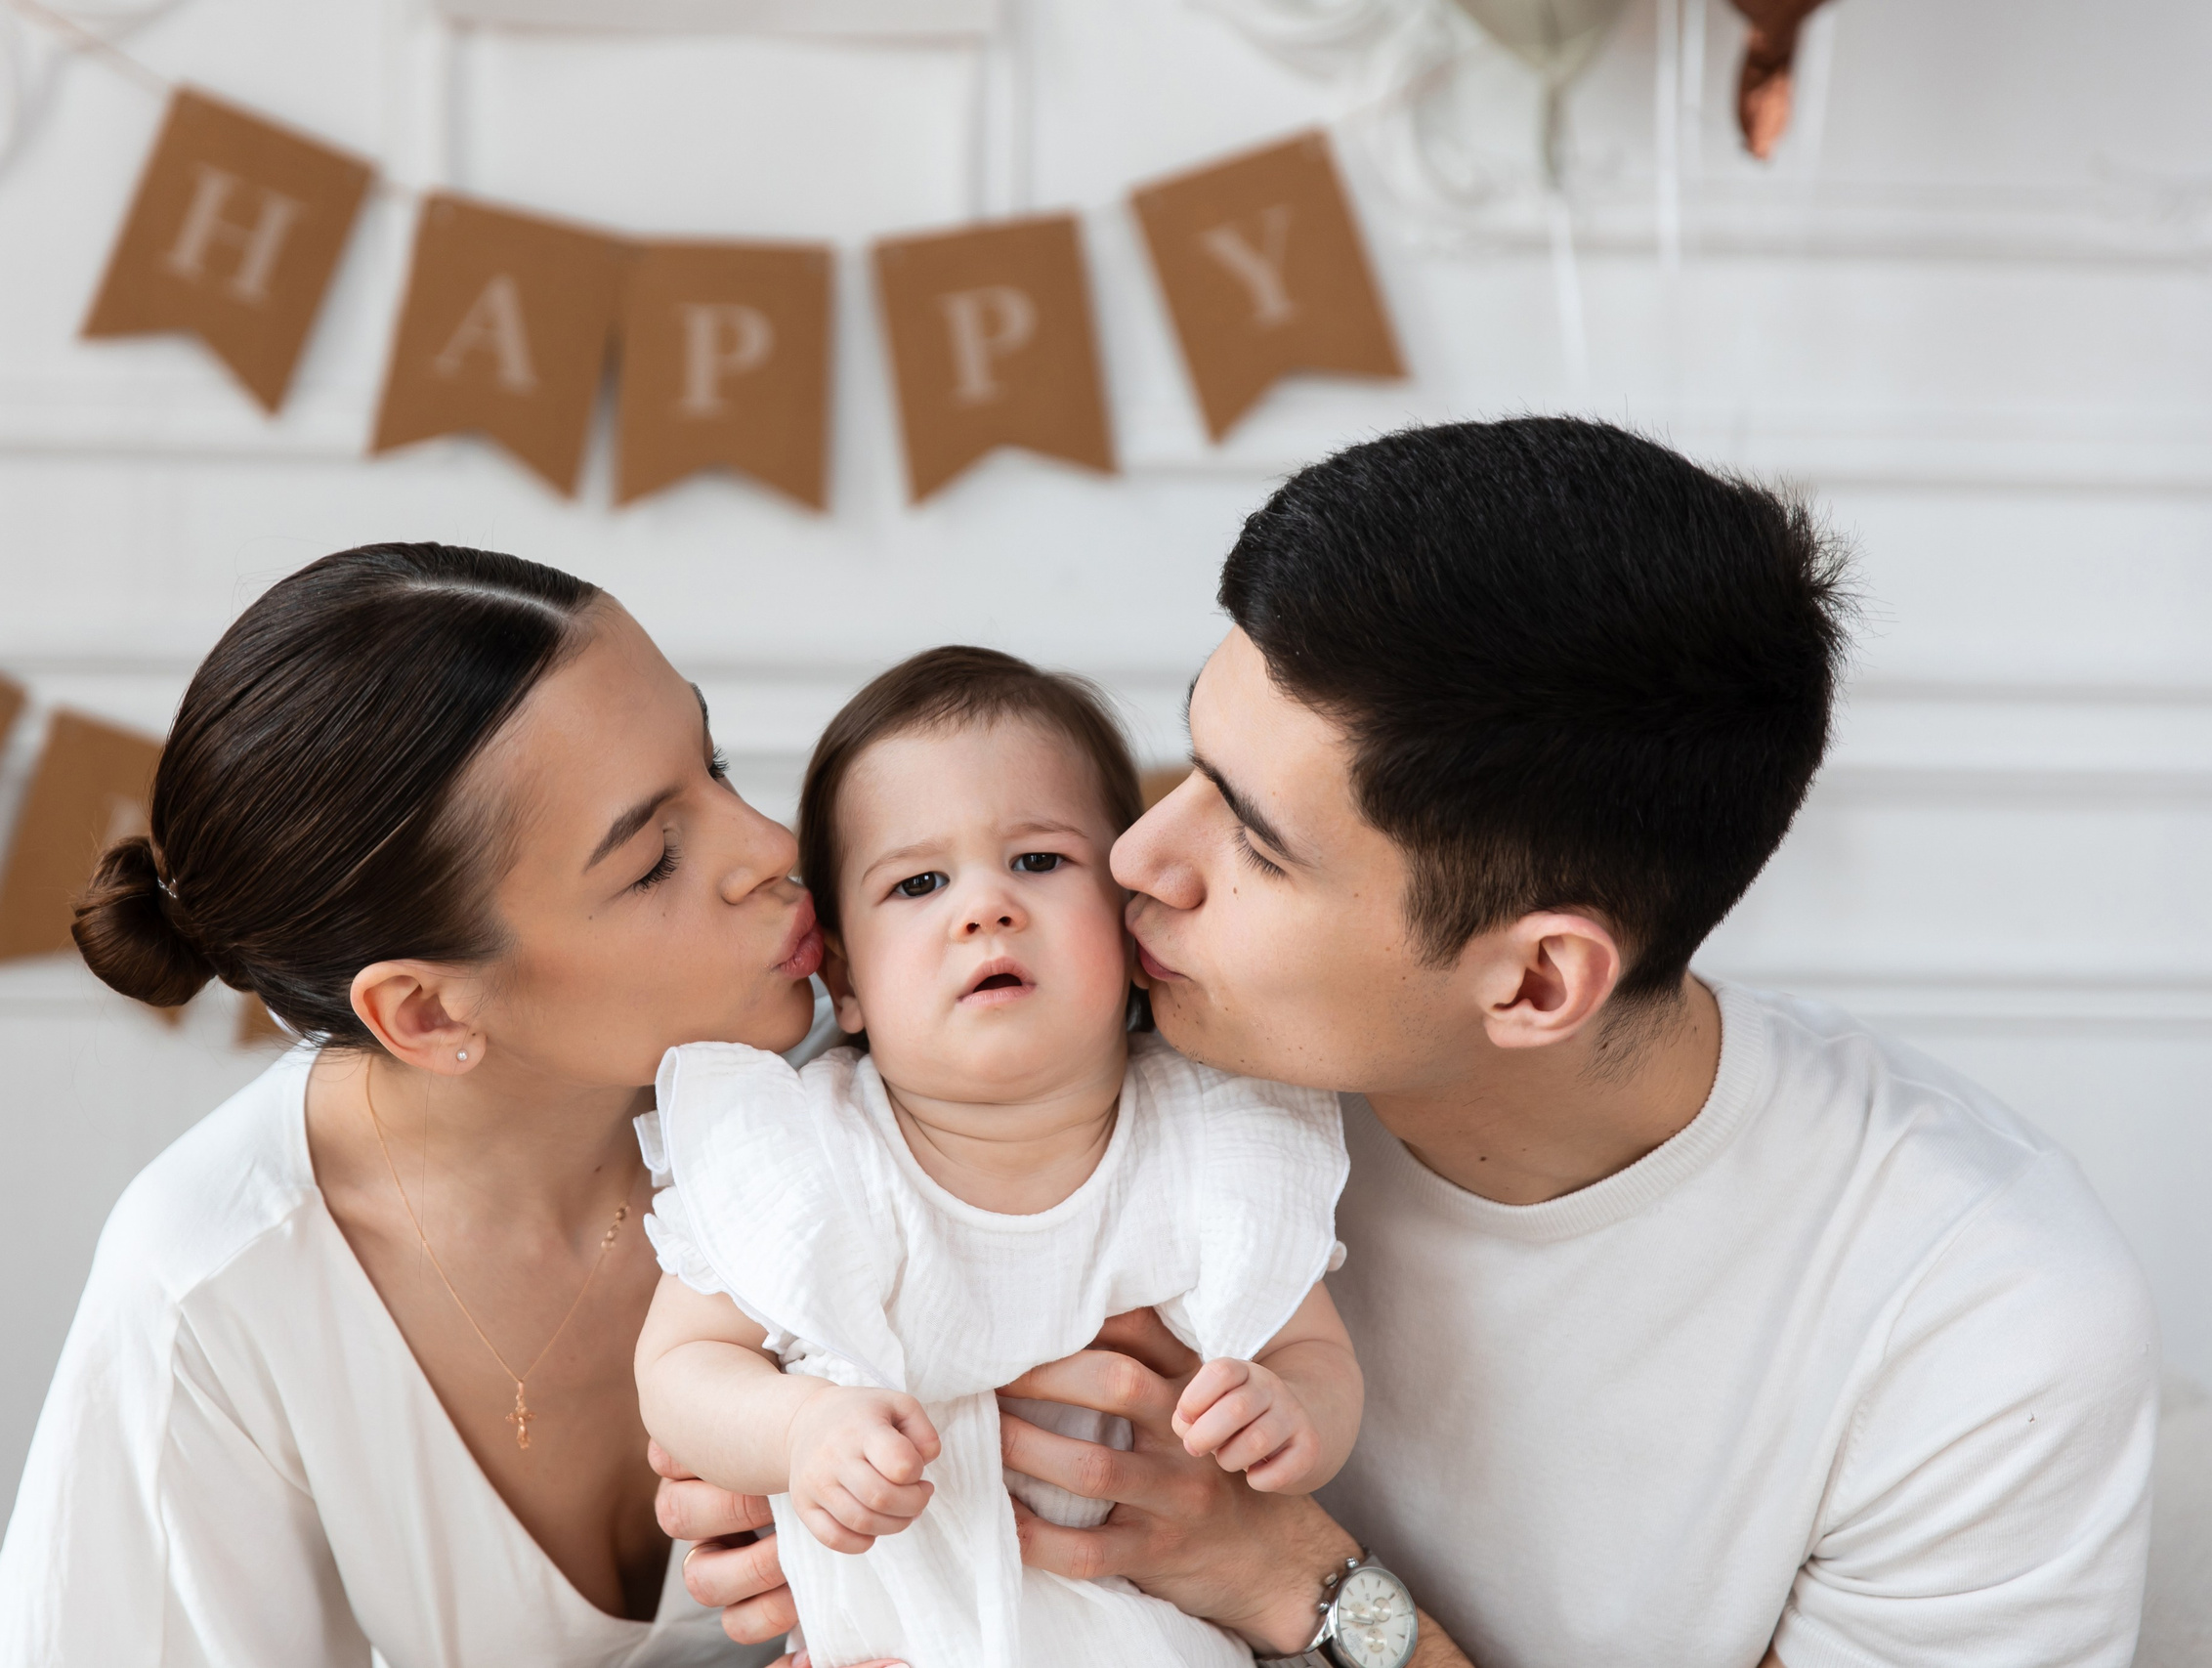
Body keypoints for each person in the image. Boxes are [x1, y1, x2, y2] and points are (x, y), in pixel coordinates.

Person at [659, 418, 2161, 1668]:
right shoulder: (1070, 1086)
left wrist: (1301, 1583)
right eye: (1189, 756)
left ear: (1533, 982)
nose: (1133, 859)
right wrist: (801, 1486)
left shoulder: (1975, 1323)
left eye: (1249, 841)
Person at [0, 543, 823, 1667]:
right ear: (423, 1013)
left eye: (714, 763)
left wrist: (1137, 1547)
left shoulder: (895, 1076)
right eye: (655, 858)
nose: (776, 849)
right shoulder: (211, 1283)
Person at [632, 648, 1366, 1668]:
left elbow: (1311, 1354)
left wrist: (1291, 1416)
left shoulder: (1209, 1141)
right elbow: (678, 1370)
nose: (985, 906)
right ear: (843, 979)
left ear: (1129, 923)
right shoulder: (810, 1153)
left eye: (1038, 862)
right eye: (919, 882)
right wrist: (797, 1430)